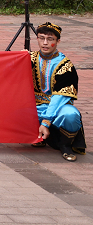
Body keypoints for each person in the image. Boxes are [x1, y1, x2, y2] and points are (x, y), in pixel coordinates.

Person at [31, 22, 86, 161]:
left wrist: (45, 122)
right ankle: (37, 136)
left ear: (58, 41)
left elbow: (59, 97)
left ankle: (65, 145)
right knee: (13, 111)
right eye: (41, 38)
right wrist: (17, 58)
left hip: (58, 107)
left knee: (71, 115)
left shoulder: (65, 65)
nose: (45, 43)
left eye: (50, 39)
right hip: (35, 106)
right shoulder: (29, 59)